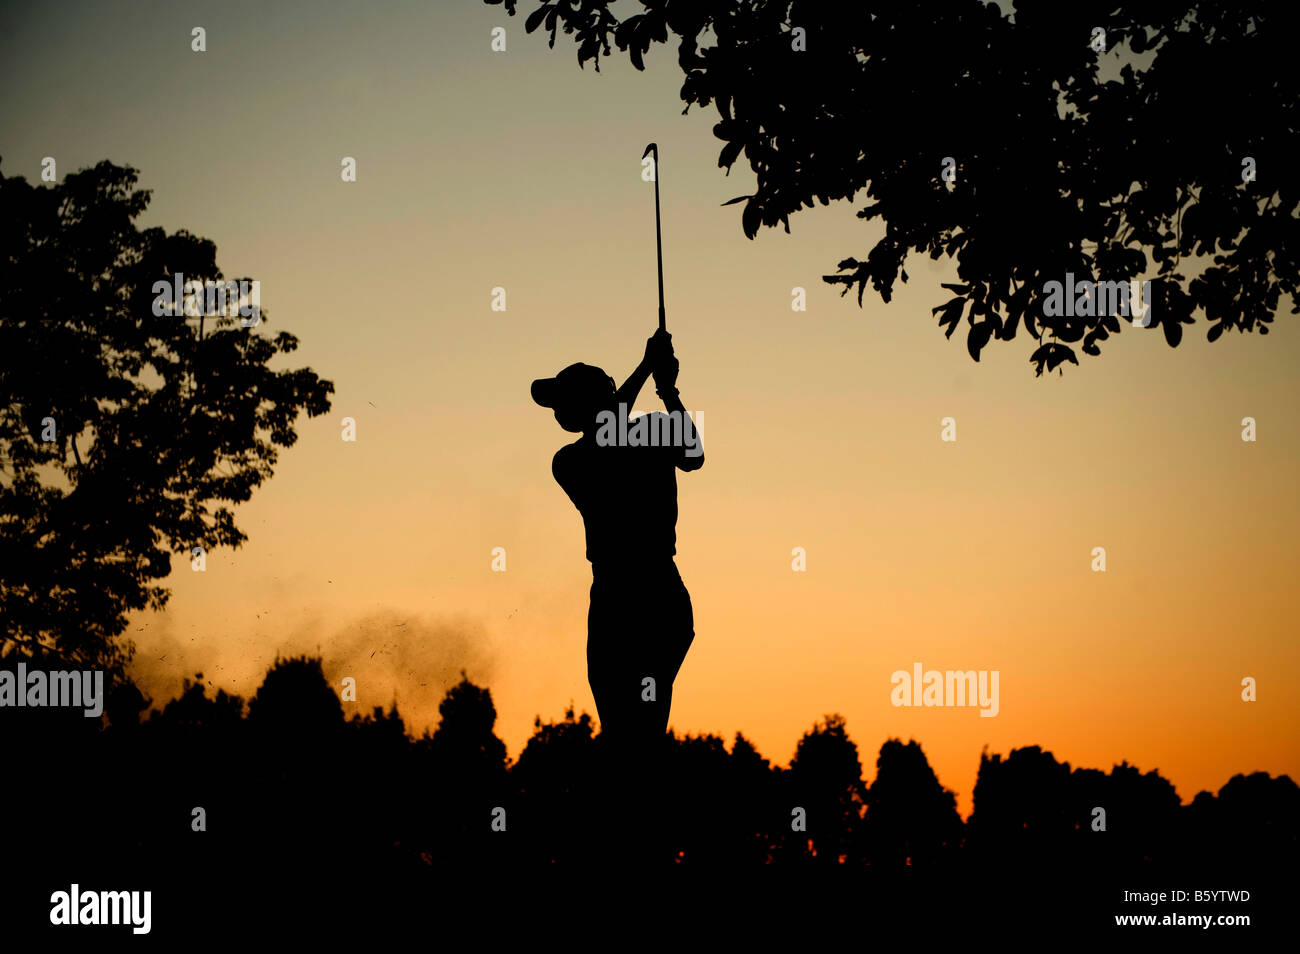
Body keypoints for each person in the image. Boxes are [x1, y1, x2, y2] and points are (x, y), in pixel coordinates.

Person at [531, 328, 703, 854]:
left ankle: (638, 844)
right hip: (628, 596)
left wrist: (667, 388)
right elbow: (611, 431)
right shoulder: (570, 461)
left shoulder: (648, 430)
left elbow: (693, 456)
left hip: (641, 594)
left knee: (637, 737)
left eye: (563, 402)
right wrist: (650, 370)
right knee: (626, 737)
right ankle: (637, 840)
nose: (558, 413)